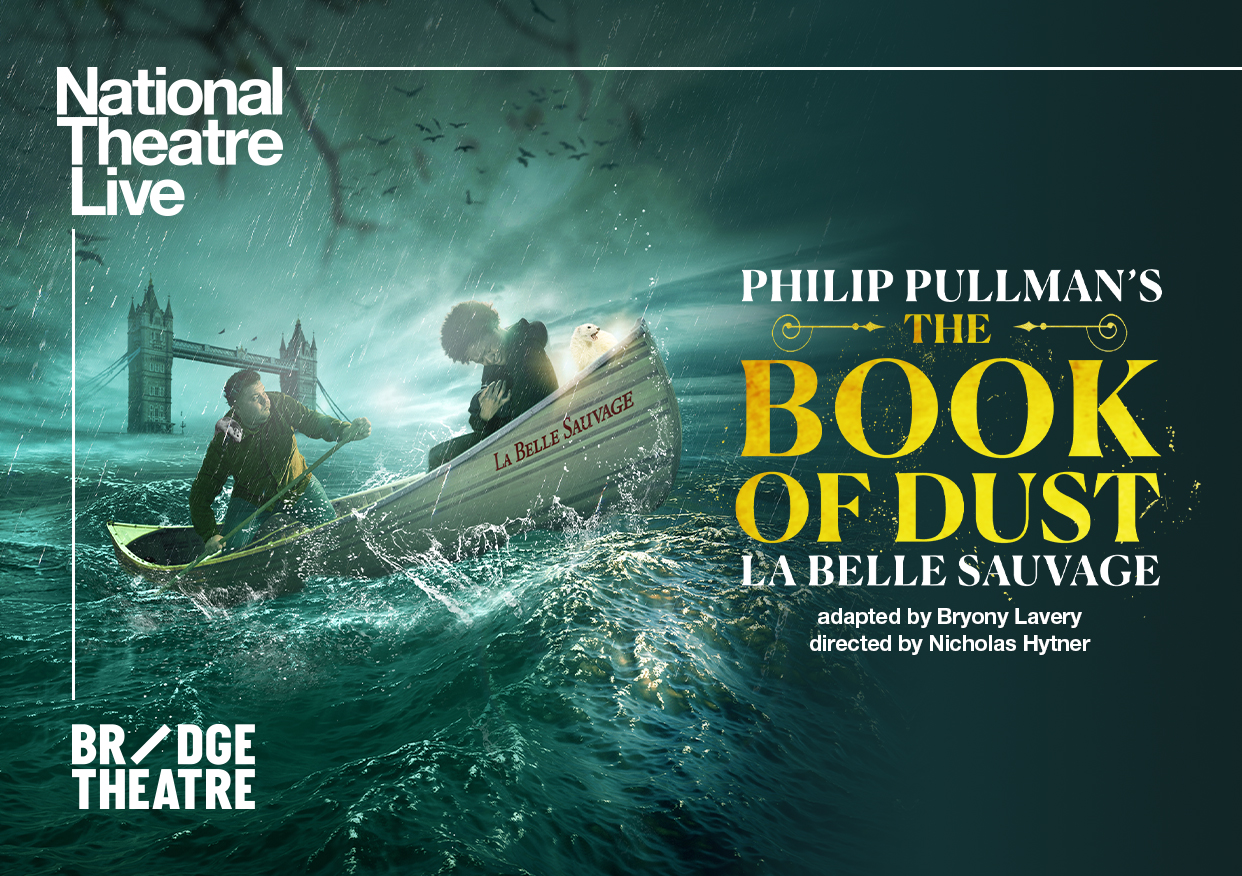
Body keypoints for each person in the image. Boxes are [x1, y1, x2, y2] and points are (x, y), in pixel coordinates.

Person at [189, 369, 371, 554]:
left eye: (263, 392)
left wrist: (345, 431)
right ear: (237, 408)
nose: (265, 400)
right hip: (251, 500)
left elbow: (312, 421)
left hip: (297, 485)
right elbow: (200, 493)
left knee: (331, 530)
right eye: (255, 398)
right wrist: (210, 534)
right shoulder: (225, 439)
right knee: (231, 552)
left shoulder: (281, 404)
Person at [430, 301, 558, 468]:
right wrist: (485, 414)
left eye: (489, 349)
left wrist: (491, 415)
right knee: (437, 455)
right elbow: (479, 414)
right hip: (517, 440)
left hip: (534, 440)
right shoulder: (494, 365)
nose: (490, 359)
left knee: (439, 456)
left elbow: (526, 414)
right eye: (481, 359)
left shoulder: (526, 349)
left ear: (495, 326)